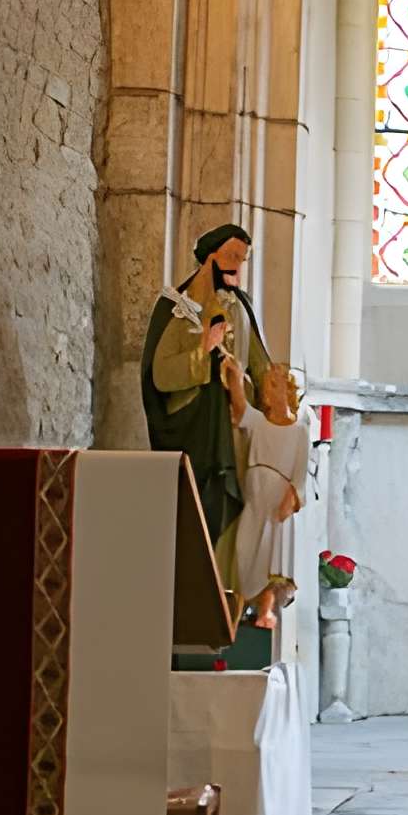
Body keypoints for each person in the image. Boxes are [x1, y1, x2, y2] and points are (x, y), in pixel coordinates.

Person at [145, 221, 274, 575]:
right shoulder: (178, 305)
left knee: (234, 510)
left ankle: (226, 585)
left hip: (235, 426)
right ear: (211, 256)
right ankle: (194, 578)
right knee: (198, 508)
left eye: (243, 258)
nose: (237, 265)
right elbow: (160, 373)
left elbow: (260, 363)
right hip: (194, 430)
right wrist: (203, 351)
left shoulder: (241, 305)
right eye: (232, 255)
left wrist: (278, 406)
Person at [232, 363, 313, 630]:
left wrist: (291, 498)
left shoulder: (299, 431)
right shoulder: (257, 421)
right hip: (254, 502)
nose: (270, 393)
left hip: (277, 505)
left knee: (272, 558)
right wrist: (234, 378)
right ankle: (237, 609)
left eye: (275, 385)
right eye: (267, 387)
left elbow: (300, 476)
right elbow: (240, 406)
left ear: (288, 390)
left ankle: (265, 612)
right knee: (245, 554)